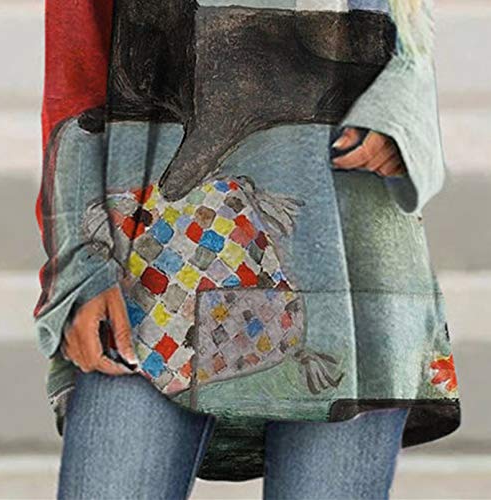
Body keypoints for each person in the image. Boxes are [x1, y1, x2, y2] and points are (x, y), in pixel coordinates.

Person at [34, 1, 461, 499]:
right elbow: (76, 69)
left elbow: (407, 28)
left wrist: (400, 120)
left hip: (353, 254)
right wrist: (80, 264)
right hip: (149, 259)